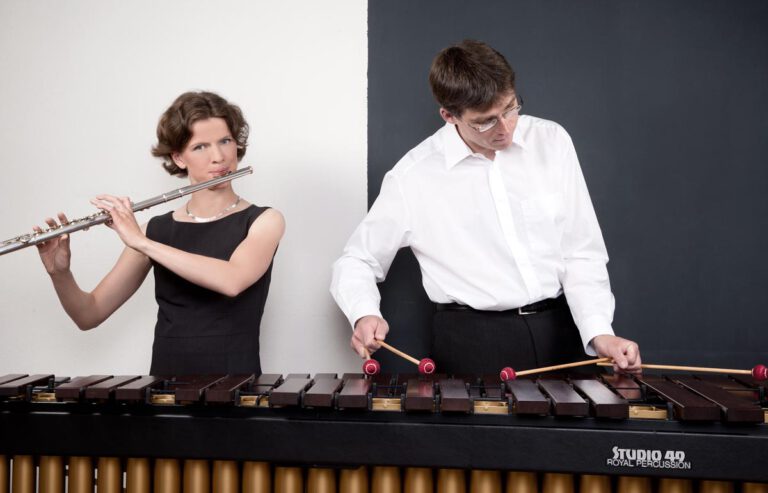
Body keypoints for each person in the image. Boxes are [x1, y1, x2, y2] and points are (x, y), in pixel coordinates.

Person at [331, 40, 641, 375]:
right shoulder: (412, 176)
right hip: (474, 344)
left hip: (564, 331)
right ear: (449, 116)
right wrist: (363, 312)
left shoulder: (552, 142)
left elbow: (581, 251)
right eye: (486, 121)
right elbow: (356, 261)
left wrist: (599, 333)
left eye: (510, 108)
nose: (505, 128)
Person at [35, 91, 284, 375]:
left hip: (235, 387)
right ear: (178, 157)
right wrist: (60, 273)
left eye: (225, 141)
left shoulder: (264, 220)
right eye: (201, 146)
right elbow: (88, 314)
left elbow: (232, 280)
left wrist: (142, 243)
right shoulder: (154, 231)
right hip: (165, 389)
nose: (219, 157)